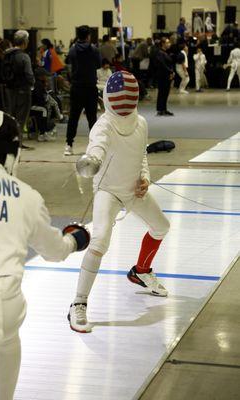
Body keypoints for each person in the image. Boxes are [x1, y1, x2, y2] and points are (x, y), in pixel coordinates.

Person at [0, 109, 90, 400]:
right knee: (8, 340)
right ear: (13, 154)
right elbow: (55, 251)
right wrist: (75, 239)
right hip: (11, 308)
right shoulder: (27, 195)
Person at [68, 71, 170, 333]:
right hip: (108, 192)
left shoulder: (141, 123)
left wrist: (145, 178)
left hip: (133, 190)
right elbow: (97, 148)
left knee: (161, 226)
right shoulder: (103, 125)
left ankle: (141, 271)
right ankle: (78, 303)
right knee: (100, 240)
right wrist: (92, 161)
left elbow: (141, 155)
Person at [64, 25, 101, 156]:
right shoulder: (94, 50)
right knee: (92, 118)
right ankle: (94, 146)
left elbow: (68, 65)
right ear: (88, 36)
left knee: (73, 117)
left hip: (77, 87)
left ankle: (68, 145)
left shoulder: (72, 50)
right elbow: (99, 65)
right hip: (90, 87)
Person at [3, 30, 35, 150]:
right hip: (23, 89)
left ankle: (10, 141)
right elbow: (29, 74)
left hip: (9, 89)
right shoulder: (24, 56)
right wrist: (32, 84)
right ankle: (18, 142)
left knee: (11, 115)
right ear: (25, 42)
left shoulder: (6, 54)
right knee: (21, 117)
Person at [155, 37, 174, 116]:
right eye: (167, 42)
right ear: (163, 44)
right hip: (162, 76)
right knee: (162, 92)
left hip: (167, 75)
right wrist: (170, 71)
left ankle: (164, 108)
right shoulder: (160, 53)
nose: (169, 44)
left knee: (166, 92)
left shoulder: (165, 53)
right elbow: (163, 65)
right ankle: (160, 109)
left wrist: (171, 72)